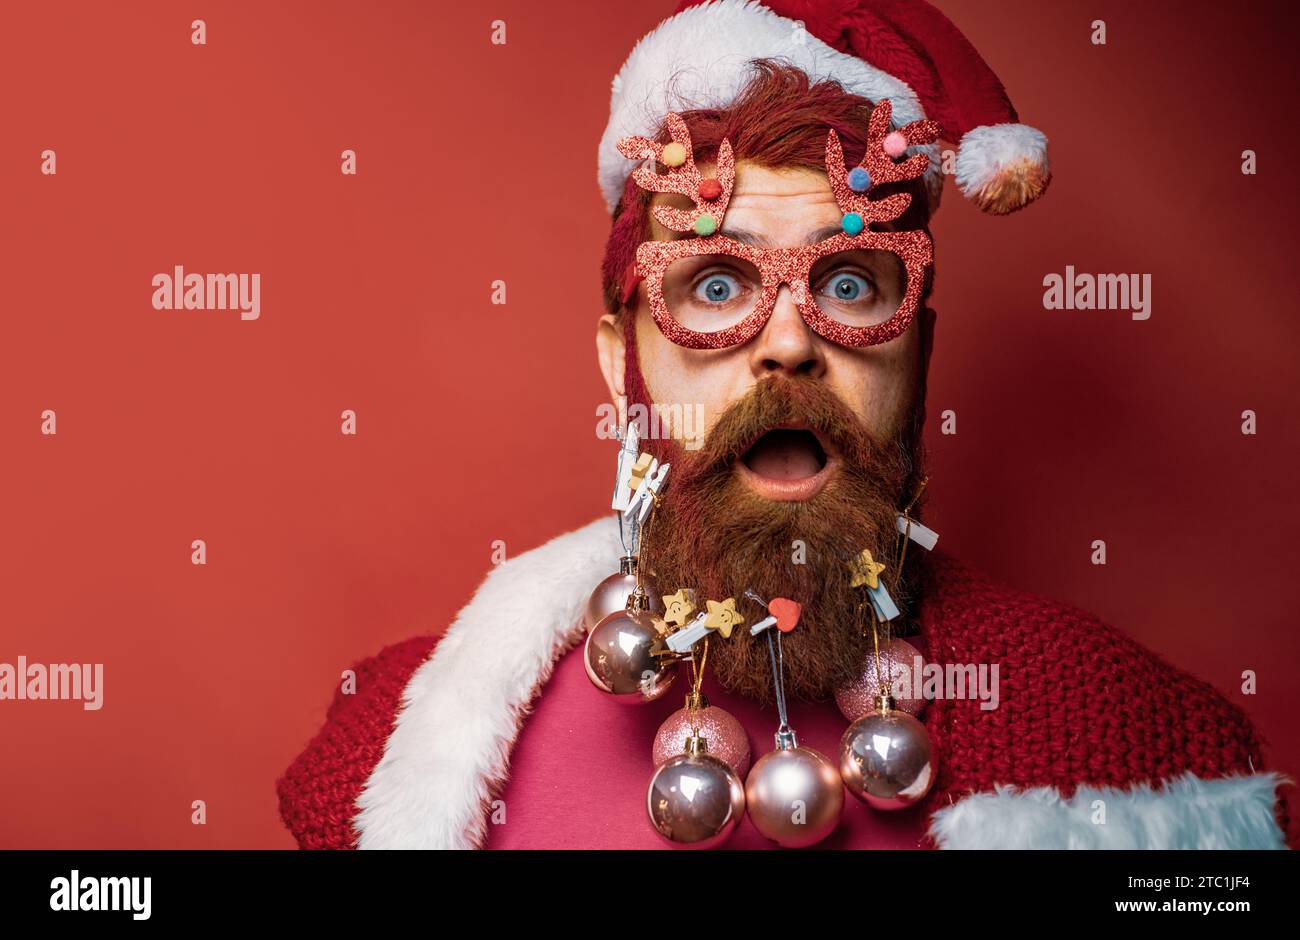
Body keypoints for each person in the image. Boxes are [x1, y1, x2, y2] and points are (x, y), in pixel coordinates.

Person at [277, 0, 1288, 850]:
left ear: (916, 354)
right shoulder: (402, 749)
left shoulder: (1134, 750)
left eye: (849, 283)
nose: (790, 346)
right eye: (716, 282)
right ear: (619, 359)